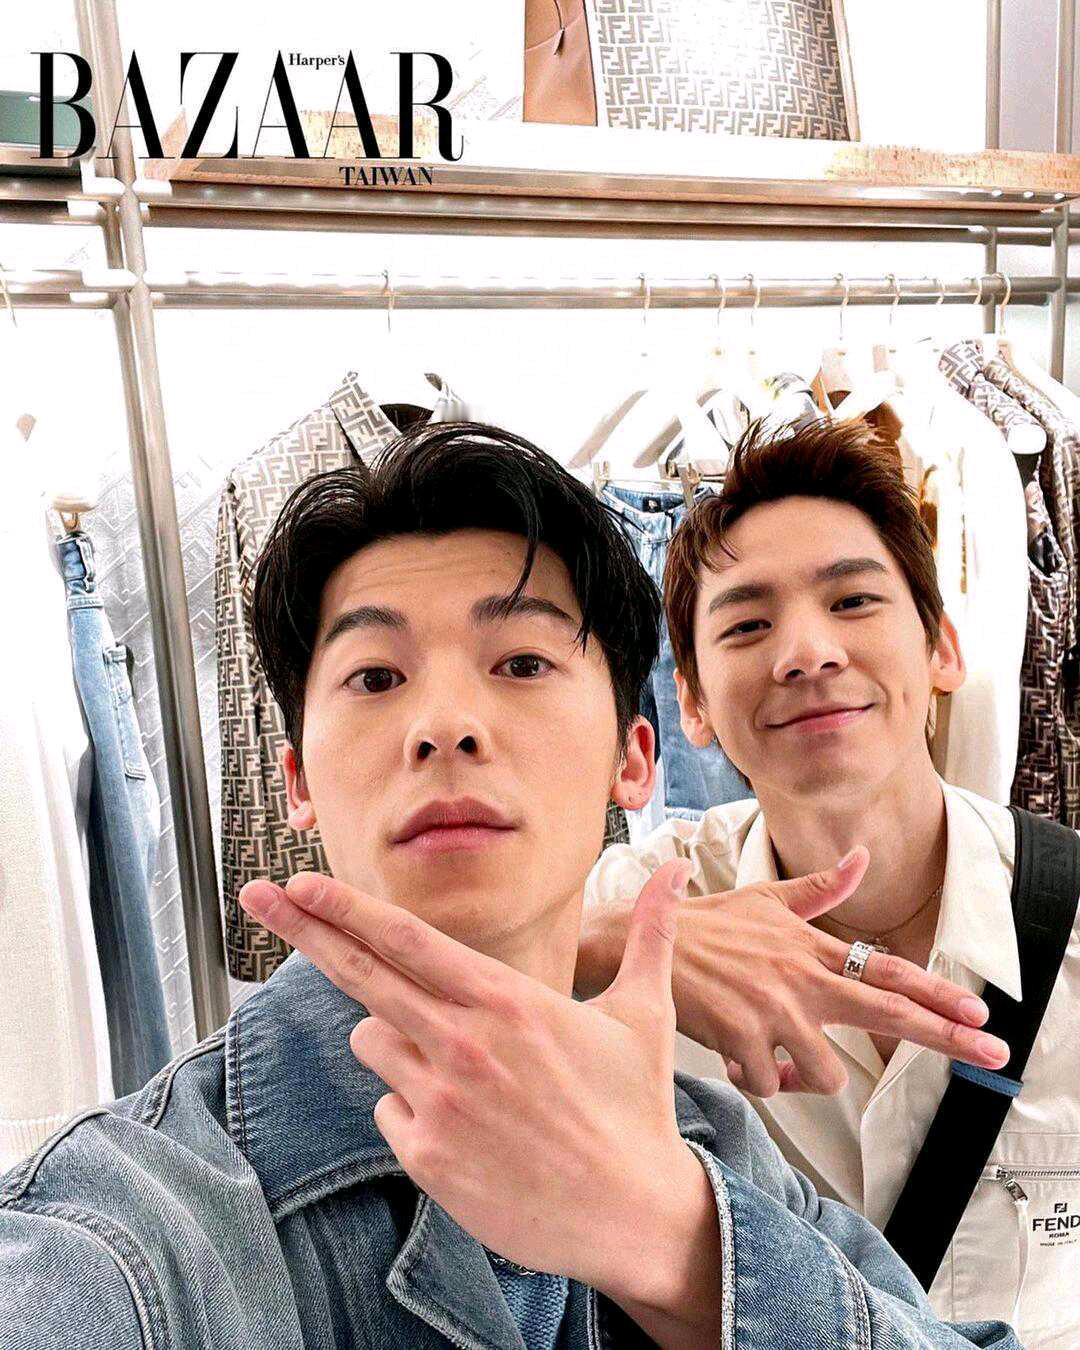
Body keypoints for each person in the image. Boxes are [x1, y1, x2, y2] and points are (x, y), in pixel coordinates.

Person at [0, 422, 1017, 1349]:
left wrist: (672, 1239)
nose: (446, 723)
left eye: (523, 662)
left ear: (634, 759)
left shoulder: (710, 1155)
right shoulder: (122, 1240)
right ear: (298, 781)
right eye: (375, 677)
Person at [580, 416, 1080, 1347]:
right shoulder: (643, 902)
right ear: (691, 702)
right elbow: (398, 1003)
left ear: (942, 649)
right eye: (747, 625)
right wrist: (616, 947)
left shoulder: (1070, 922)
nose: (807, 653)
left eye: (853, 601)